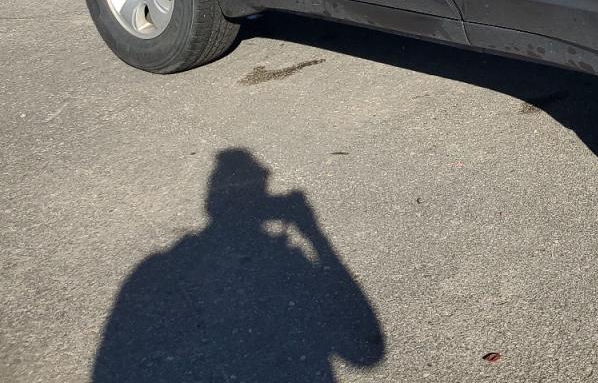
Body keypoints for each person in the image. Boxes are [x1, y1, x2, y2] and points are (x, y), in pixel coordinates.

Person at [92, 149, 385, 382]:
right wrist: (313, 232)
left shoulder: (150, 271)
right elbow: (364, 355)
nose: (265, 174)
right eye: (258, 175)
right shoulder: (155, 272)